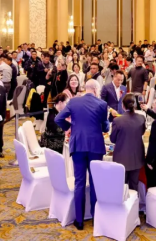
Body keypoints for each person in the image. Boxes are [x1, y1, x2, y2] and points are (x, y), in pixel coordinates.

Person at [55, 79, 110, 231]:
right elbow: (105, 127)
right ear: (96, 89)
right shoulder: (102, 104)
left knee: (79, 182)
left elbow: (58, 118)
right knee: (94, 182)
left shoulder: (73, 102)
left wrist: (69, 127)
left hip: (78, 145)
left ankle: (79, 220)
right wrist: (104, 123)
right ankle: (95, 217)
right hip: (95, 146)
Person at [109, 94, 146, 191]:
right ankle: (134, 201)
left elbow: (112, 139)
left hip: (121, 157)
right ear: (135, 104)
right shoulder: (142, 118)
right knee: (134, 186)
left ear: (123, 105)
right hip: (137, 156)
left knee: (121, 187)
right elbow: (142, 132)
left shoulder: (117, 120)